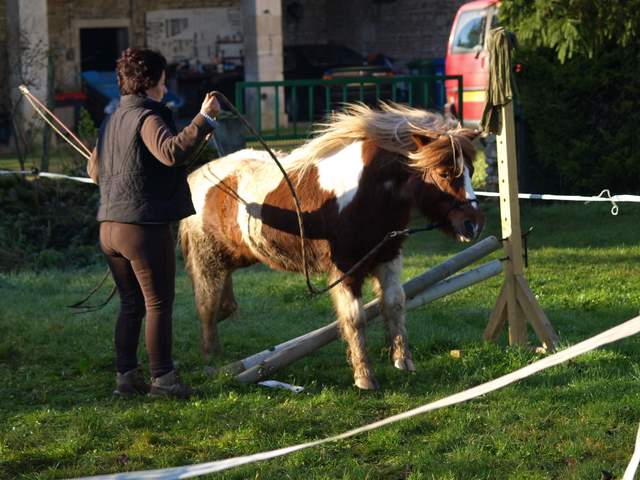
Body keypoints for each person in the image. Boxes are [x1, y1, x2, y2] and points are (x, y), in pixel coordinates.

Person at [87, 47, 220, 399]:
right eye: (163, 80)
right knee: (157, 303)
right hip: (141, 228)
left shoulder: (111, 119)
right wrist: (204, 119)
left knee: (131, 304)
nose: (165, 86)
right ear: (150, 83)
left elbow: (94, 171)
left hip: (109, 229)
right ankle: (164, 380)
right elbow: (171, 151)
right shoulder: (147, 116)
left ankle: (126, 378)